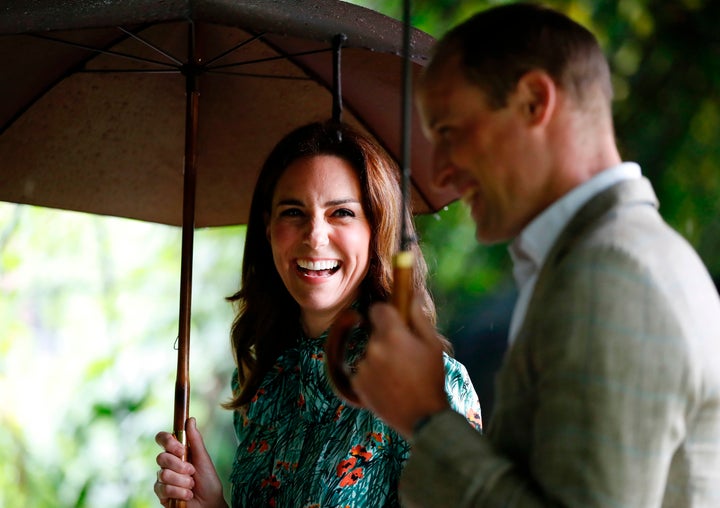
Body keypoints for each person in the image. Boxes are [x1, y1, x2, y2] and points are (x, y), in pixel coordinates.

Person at [349, 3, 720, 507]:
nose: (439, 175)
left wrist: (426, 417)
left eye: (450, 134)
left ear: (533, 101)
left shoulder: (612, 277)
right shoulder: (603, 261)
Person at [152, 121, 483, 507]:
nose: (314, 236)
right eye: (293, 212)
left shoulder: (429, 387)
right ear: (268, 227)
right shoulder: (264, 386)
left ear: (378, 228)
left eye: (341, 212)